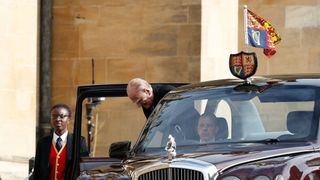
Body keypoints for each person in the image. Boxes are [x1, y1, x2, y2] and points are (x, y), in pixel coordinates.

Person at [33, 103, 88, 180]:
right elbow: (37, 171)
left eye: (62, 116)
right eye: (54, 116)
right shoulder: (43, 143)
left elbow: (84, 170)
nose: (58, 119)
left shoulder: (78, 142)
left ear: (68, 119)